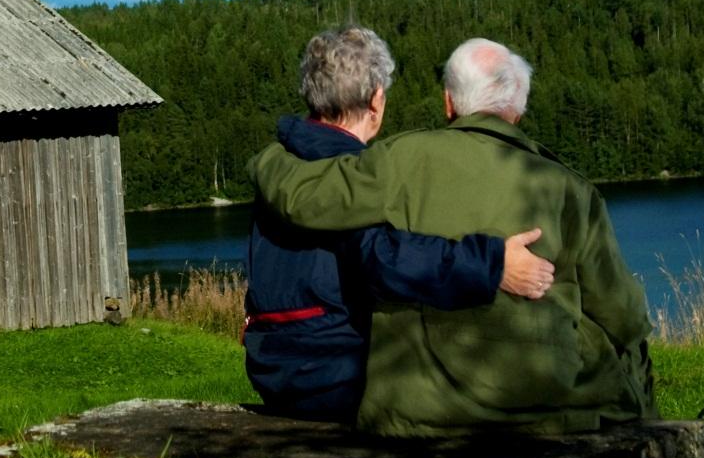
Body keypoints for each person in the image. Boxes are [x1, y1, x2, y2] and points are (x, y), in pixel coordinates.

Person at [248, 36, 656, 436]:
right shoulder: (574, 190)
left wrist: (269, 161)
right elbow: (623, 315)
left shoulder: (402, 159)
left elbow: (304, 198)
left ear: (448, 101)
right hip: (547, 393)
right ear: (518, 110)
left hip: (419, 403)